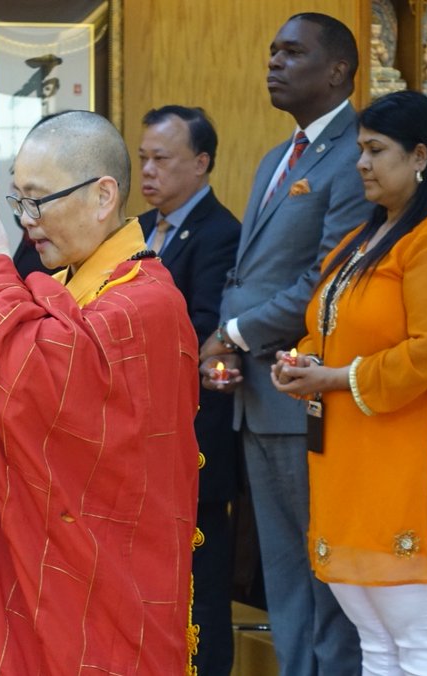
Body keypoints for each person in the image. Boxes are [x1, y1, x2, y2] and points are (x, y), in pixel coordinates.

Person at [0, 110, 200, 674]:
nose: (26, 221)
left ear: (103, 197)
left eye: (38, 201)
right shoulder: (74, 284)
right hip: (47, 576)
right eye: (17, 203)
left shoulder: (146, 302)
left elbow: (42, 387)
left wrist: (0, 262)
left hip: (114, 585)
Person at [270, 89, 427, 676]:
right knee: (376, 639)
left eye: (375, 150)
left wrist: (336, 376)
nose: (361, 163)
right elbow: (332, 328)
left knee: (422, 636)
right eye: (359, 150)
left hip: (420, 454)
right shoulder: (361, 240)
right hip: (355, 452)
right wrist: (299, 363)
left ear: (420, 155)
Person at [200, 12, 367, 676]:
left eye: (292, 52)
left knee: (322, 569)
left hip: (308, 397)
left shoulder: (357, 152)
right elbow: (250, 273)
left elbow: (323, 279)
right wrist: (228, 345)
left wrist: (234, 332)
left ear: (337, 71)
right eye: (272, 50)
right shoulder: (279, 156)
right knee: (282, 570)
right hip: (256, 394)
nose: (274, 61)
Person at [136, 104, 241, 676]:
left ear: (200, 163)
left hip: (194, 435)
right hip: (147, 431)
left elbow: (202, 329)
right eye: (142, 158)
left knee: (201, 583)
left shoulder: (219, 233)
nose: (148, 171)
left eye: (162, 159)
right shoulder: (142, 229)